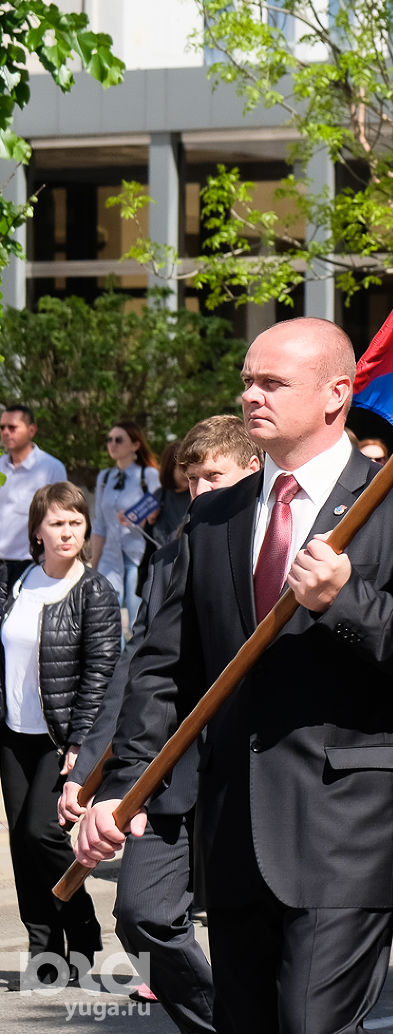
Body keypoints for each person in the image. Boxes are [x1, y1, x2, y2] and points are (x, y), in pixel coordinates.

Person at [75, 317, 393, 1033]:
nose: (250, 396)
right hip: (233, 831)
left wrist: (347, 602)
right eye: (247, 381)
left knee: (310, 1024)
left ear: (336, 395)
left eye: (272, 383)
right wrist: (124, 789)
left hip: (345, 828)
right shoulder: (212, 519)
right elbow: (164, 673)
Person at [60, 415, 260, 1032]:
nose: (199, 492)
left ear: (253, 472)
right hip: (165, 764)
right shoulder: (176, 549)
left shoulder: (282, 544)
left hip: (251, 767)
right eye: (191, 480)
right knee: (143, 913)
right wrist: (92, 767)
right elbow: (139, 661)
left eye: (213, 477)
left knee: (247, 930)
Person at [1, 480, 117, 981]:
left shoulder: (94, 590)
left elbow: (101, 674)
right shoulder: (19, 582)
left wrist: (81, 745)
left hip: (59, 739)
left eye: (76, 522)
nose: (68, 532)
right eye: (57, 523)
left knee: (41, 831)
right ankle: (44, 950)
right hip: (12, 735)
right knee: (21, 846)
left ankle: (83, 930)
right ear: (37, 532)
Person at [91, 420, 162, 621]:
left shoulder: (148, 475)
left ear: (135, 445)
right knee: (105, 617)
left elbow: (156, 514)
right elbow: (100, 525)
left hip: (137, 556)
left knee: (135, 619)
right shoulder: (104, 477)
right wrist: (94, 566)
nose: (112, 444)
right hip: (109, 557)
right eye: (109, 440)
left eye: (119, 440)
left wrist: (136, 519)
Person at [0, 404, 68, 589]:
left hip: (30, 564)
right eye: (2, 427)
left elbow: (61, 517)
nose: (6, 432)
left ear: (32, 430)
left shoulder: (51, 468)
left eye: (12, 427)